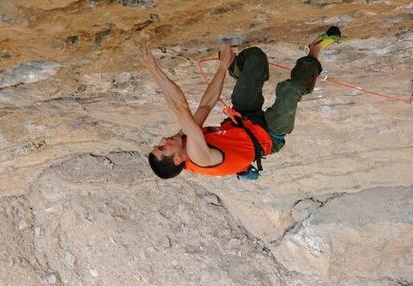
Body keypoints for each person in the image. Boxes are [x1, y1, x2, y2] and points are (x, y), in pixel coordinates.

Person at [138, 27, 340, 179]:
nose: (163, 140)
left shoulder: (183, 143)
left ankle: (236, 67)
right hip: (269, 135)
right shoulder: (198, 155)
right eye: (163, 148)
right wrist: (152, 68)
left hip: (243, 120)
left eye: (159, 144)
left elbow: (206, 106)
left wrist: (224, 67)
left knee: (255, 57)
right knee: (290, 90)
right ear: (177, 159)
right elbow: (180, 107)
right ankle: (314, 51)